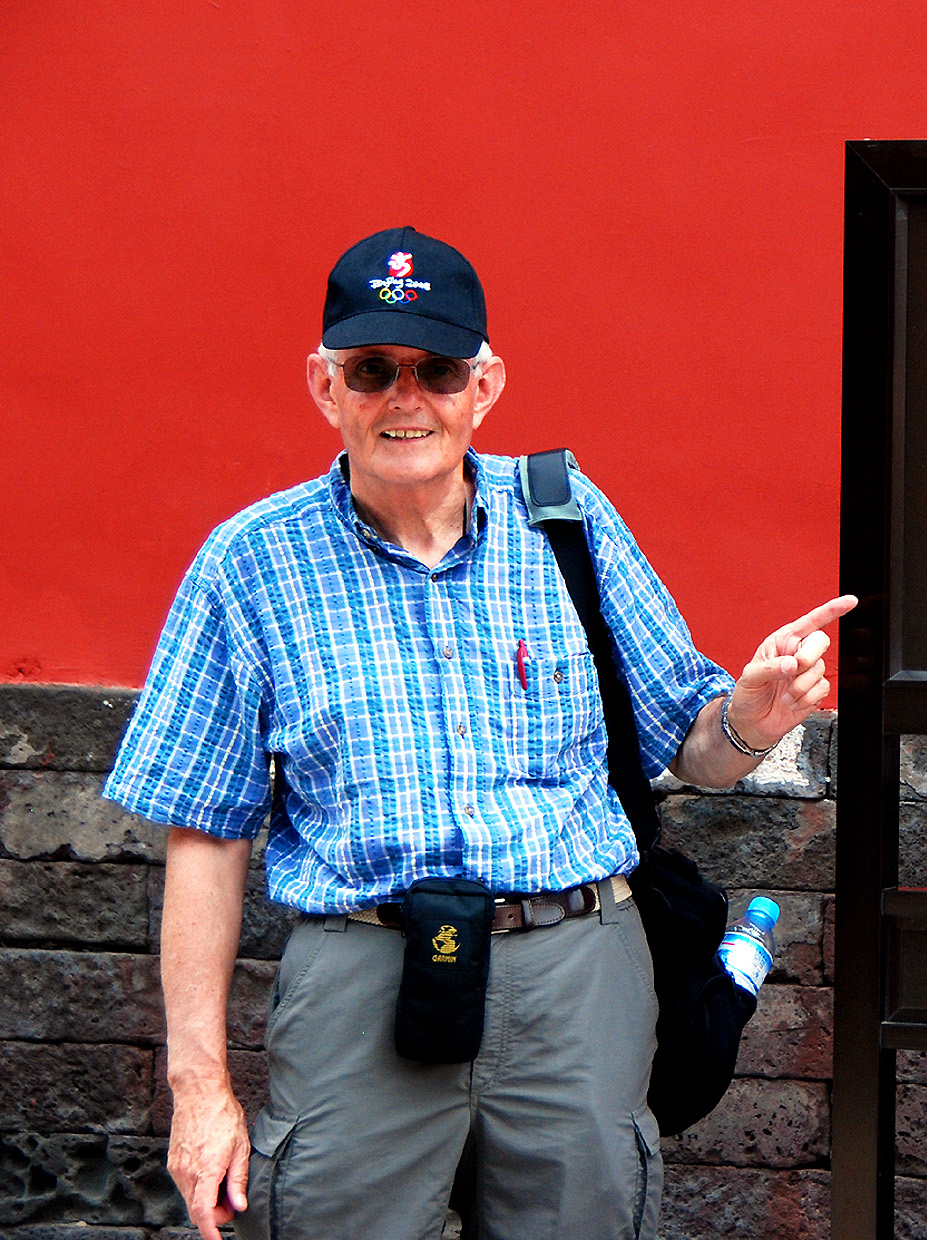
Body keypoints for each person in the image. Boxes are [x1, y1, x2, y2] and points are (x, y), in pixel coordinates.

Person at [103, 226, 855, 1240]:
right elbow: (204, 832)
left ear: (485, 383)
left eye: (438, 369)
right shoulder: (250, 564)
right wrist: (198, 1091)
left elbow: (695, 744)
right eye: (373, 369)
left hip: (576, 972)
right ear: (325, 384)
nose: (406, 398)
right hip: (364, 978)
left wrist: (752, 720)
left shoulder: (567, 518)